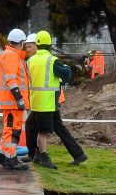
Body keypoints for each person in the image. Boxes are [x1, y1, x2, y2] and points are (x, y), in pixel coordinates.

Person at [24, 30, 83, 169]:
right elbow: (67, 75)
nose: (27, 49)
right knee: (45, 129)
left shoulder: (30, 61)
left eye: (29, 46)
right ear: (50, 44)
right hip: (48, 102)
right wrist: (67, 66)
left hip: (38, 101)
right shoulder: (52, 60)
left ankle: (37, 155)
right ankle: (76, 154)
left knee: (37, 128)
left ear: (37, 44)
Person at [0, 28, 30, 171]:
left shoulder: (10, 55)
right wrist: (19, 98)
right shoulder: (11, 56)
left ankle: (1, 155)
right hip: (12, 102)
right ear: (21, 43)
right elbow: (11, 79)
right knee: (12, 131)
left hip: (11, 102)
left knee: (10, 129)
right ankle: (11, 159)